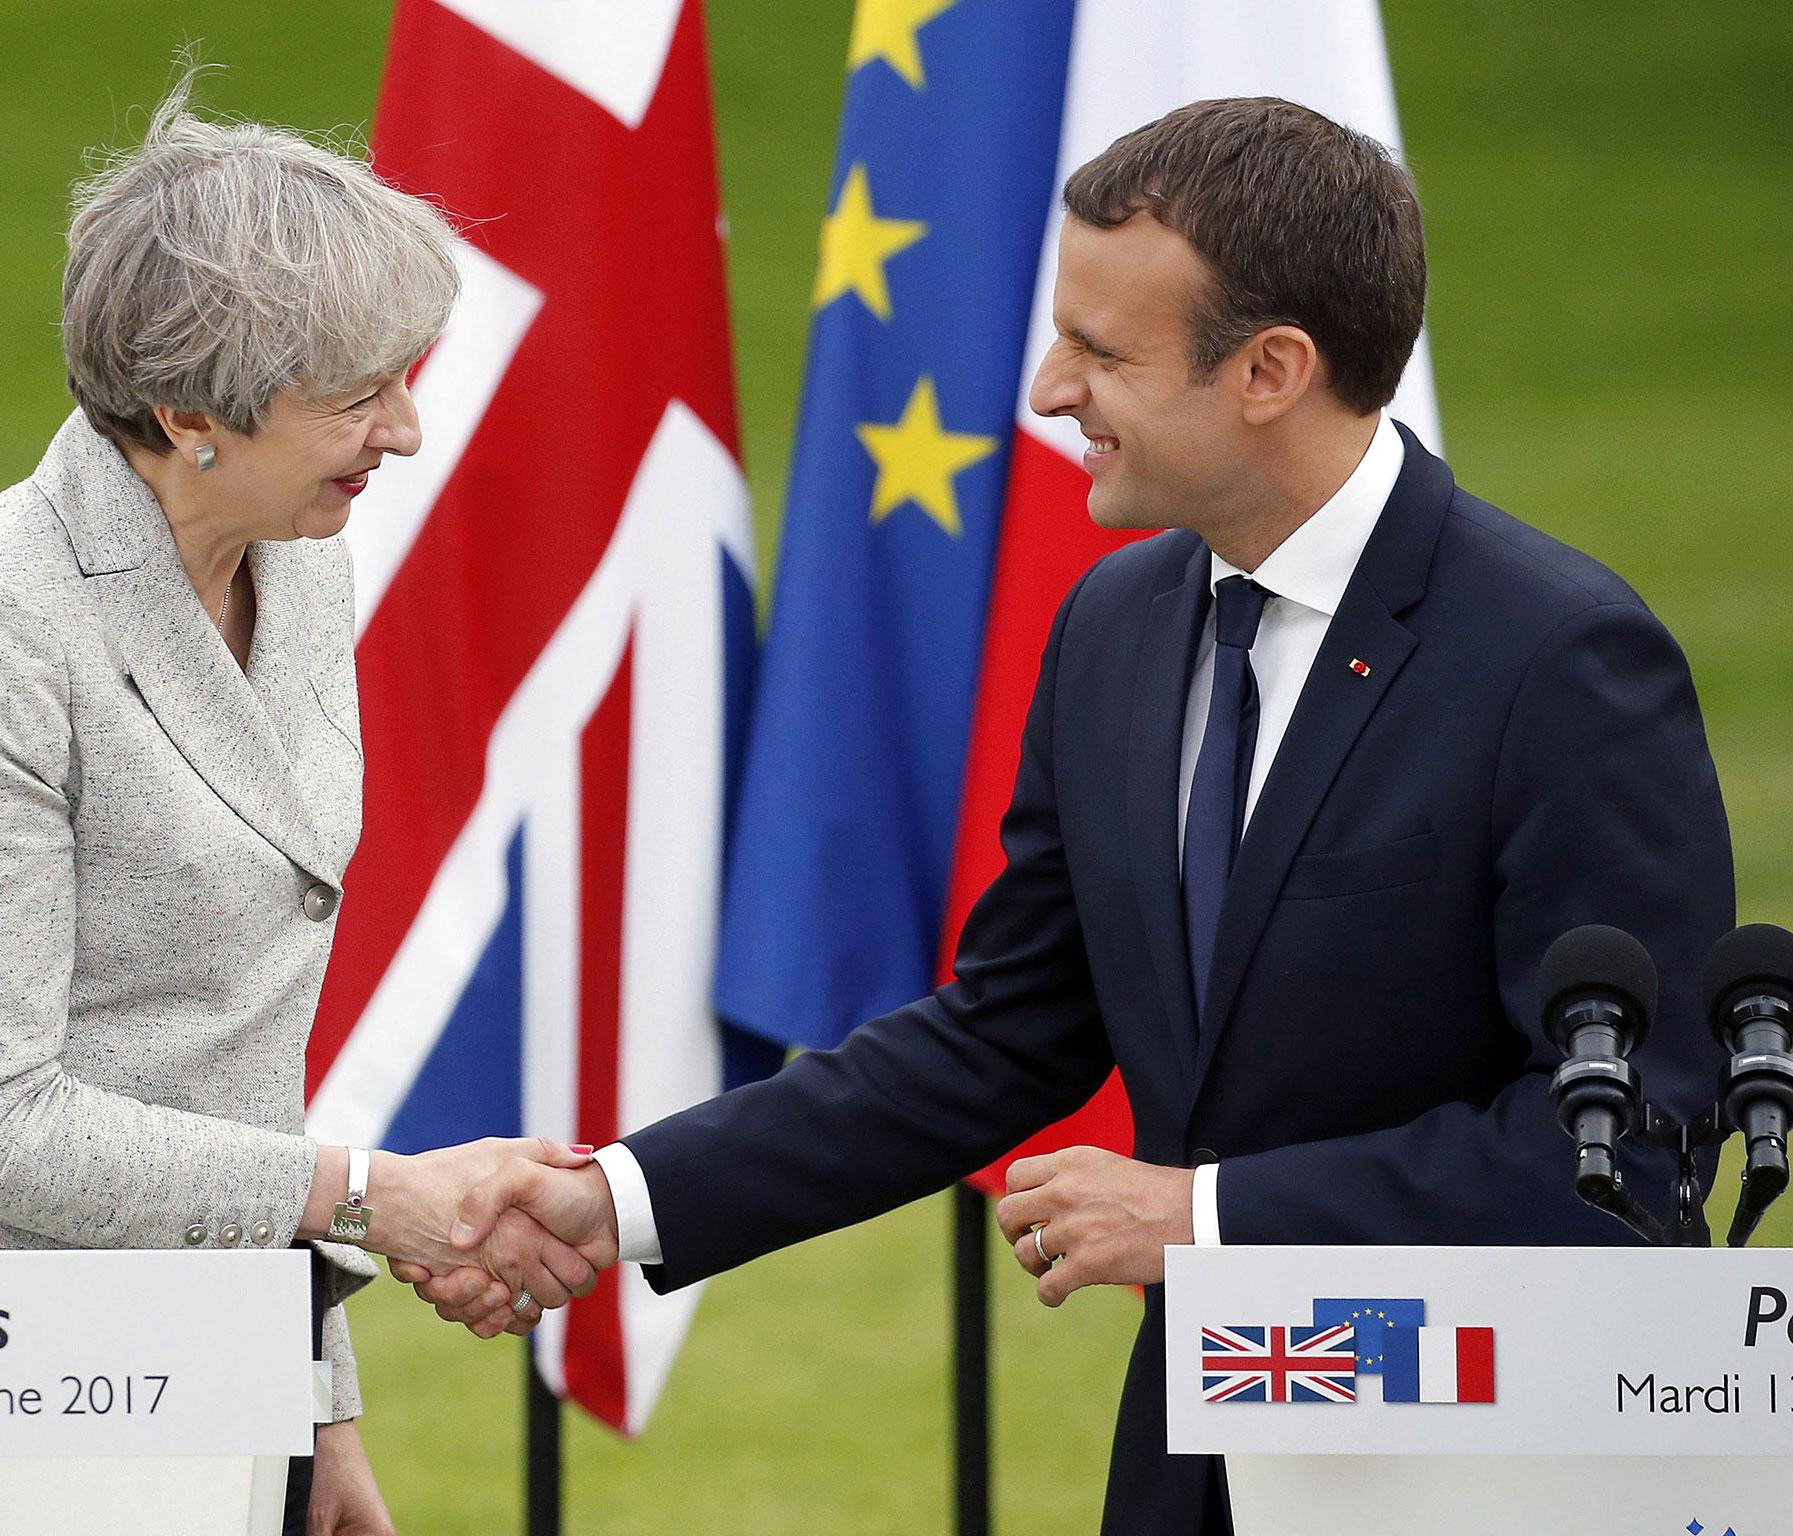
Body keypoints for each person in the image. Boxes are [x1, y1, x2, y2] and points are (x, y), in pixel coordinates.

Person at [404, 98, 1735, 1534]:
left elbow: (1636, 1143)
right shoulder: (1117, 623)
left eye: (1100, 353)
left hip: (1485, 1464)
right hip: (1202, 1453)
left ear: (1271, 371)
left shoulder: (1557, 660)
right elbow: (1007, 1031)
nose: (1046, 389)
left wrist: (1206, 1217)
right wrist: (622, 1198)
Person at [0, 73, 593, 1536]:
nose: (404, 430)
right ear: (188, 410)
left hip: (196, 1379)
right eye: (358, 394)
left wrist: (310, 1402)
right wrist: (367, 1195)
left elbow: (239, 1045)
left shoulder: (302, 556)